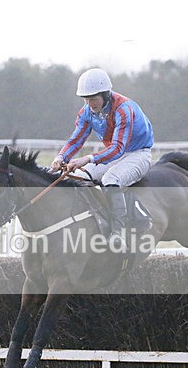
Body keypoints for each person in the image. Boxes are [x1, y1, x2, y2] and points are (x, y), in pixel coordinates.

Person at [50, 68, 154, 250]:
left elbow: (118, 148)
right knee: (78, 177)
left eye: (93, 99)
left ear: (105, 94)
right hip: (114, 155)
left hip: (138, 153)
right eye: (86, 99)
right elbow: (76, 140)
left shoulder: (124, 109)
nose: (90, 104)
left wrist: (87, 159)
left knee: (110, 179)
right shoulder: (86, 112)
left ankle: (119, 232)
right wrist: (61, 157)